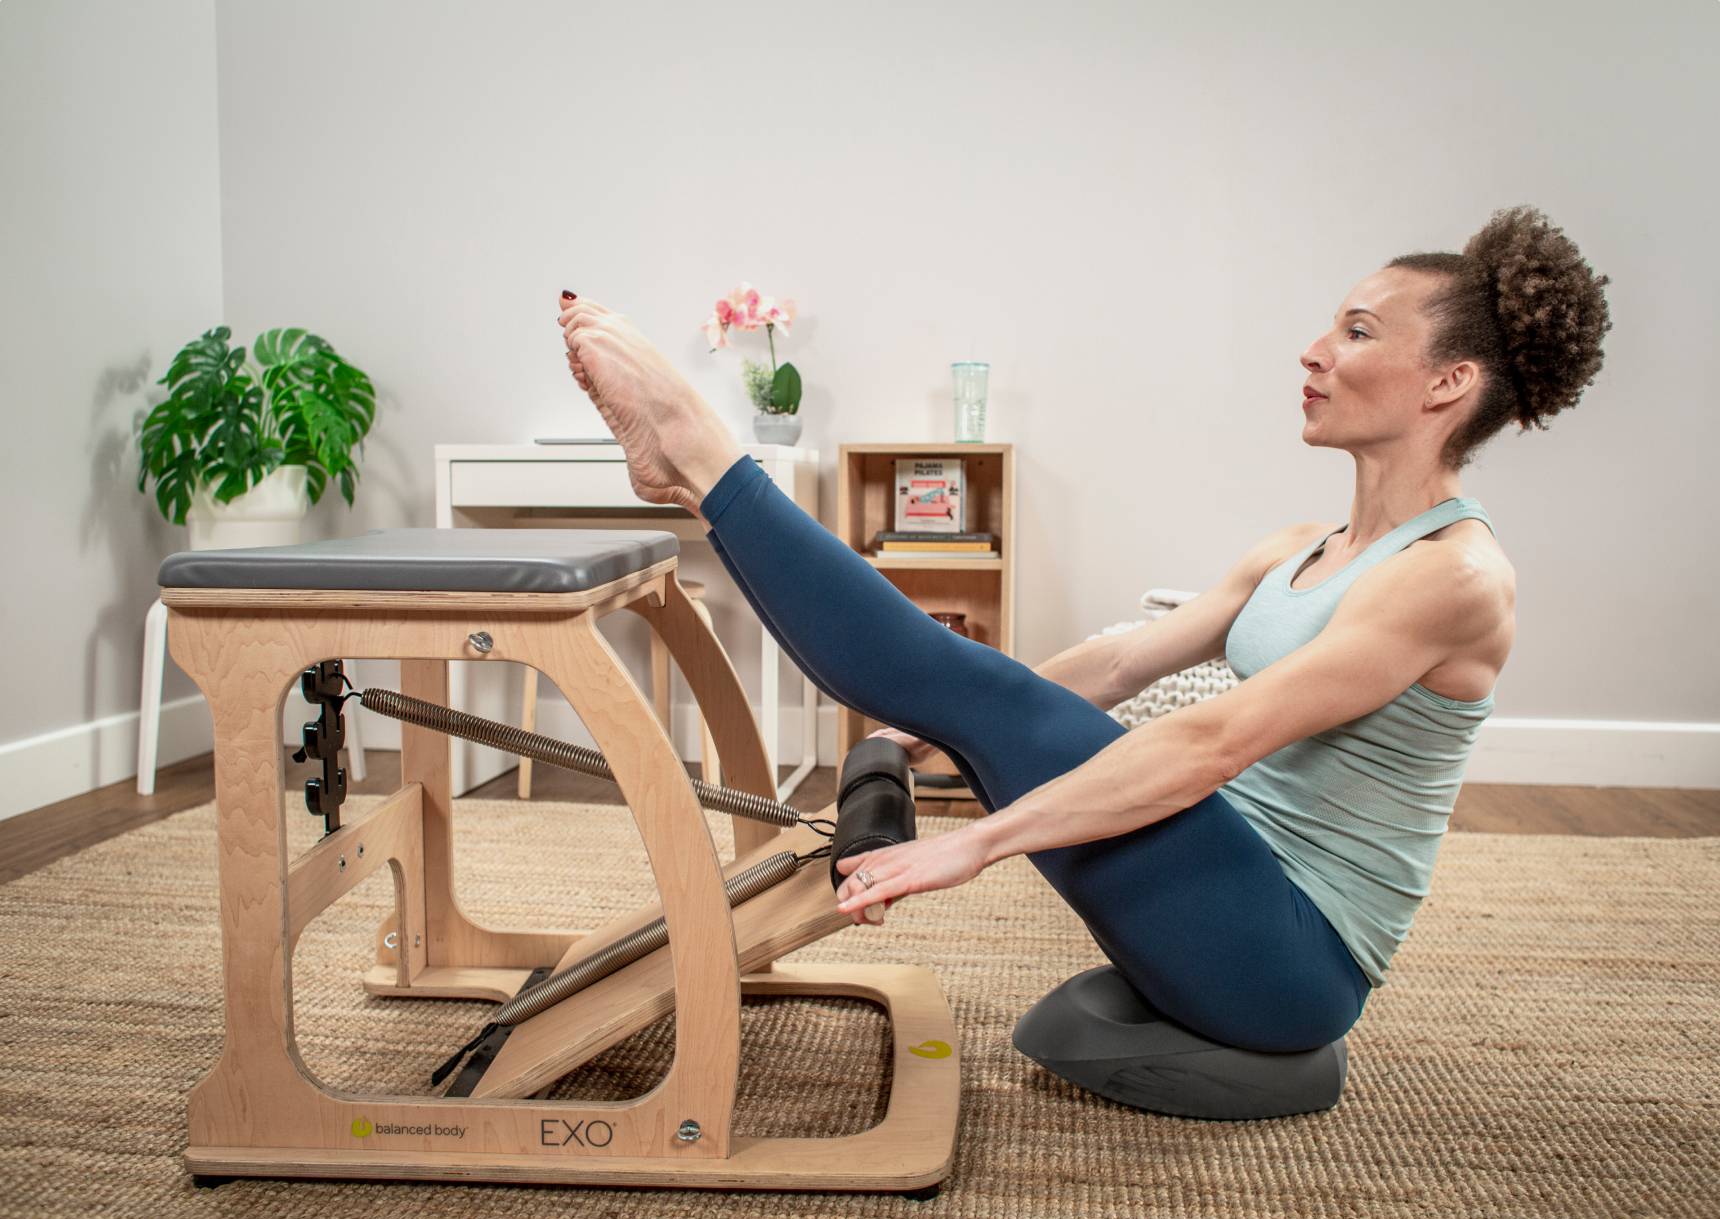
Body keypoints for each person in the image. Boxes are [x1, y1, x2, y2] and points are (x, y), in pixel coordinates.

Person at [554, 204, 1611, 1056]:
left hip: (1292, 958)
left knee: (994, 697)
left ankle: (698, 453)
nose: (1315, 349)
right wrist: (926, 743)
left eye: (1357, 331)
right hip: (1228, 884)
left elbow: (1211, 745)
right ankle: (697, 485)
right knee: (998, 692)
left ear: (1447, 382)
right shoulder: (1300, 547)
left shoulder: (1453, 579)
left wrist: (974, 841)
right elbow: (1110, 663)